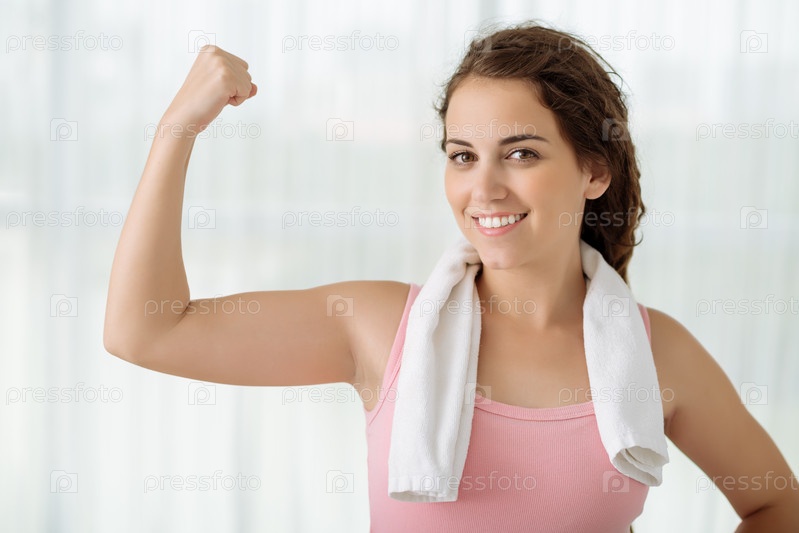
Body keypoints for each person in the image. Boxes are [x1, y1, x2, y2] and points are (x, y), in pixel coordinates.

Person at [103, 21, 799, 532]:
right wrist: (176, 129)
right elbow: (144, 331)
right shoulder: (378, 328)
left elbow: (776, 504)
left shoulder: (656, 352)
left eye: (521, 153)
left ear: (593, 170)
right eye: (462, 155)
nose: (483, 189)